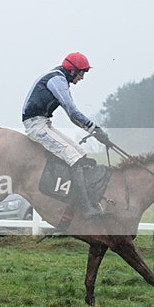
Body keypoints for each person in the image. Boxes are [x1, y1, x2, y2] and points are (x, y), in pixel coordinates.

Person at [21, 52, 111, 218]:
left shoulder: (60, 78)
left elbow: (72, 117)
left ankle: (82, 202)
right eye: (81, 73)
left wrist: (94, 131)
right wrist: (95, 129)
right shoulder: (57, 80)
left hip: (43, 122)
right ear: (71, 71)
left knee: (82, 156)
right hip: (35, 125)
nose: (82, 77)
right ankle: (85, 208)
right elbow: (72, 111)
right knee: (73, 157)